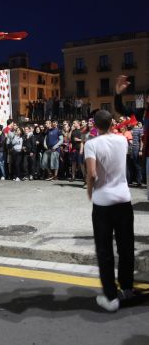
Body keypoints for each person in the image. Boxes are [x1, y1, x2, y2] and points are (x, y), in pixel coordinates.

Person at [85, 110, 135, 312]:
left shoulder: (91, 144)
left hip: (103, 202)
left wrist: (89, 191)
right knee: (126, 245)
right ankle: (127, 287)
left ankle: (111, 296)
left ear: (95, 126)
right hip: (124, 198)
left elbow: (92, 173)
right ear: (112, 123)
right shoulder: (122, 140)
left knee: (104, 249)